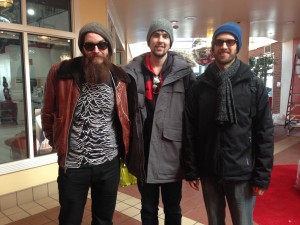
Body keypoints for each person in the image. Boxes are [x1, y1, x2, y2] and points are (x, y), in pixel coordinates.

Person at [41, 22, 134, 225]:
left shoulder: (119, 77)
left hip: (109, 164)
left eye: (102, 45)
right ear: (82, 48)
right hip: (74, 167)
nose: (96, 50)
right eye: (89, 46)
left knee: (103, 220)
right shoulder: (61, 72)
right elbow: (47, 114)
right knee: (69, 219)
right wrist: (59, 144)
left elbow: (124, 118)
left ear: (109, 47)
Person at [183, 22, 274, 225]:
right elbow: (190, 131)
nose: (224, 46)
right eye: (219, 42)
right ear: (213, 47)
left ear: (237, 45)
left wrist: (262, 176)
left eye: (229, 42)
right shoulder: (200, 86)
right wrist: (191, 168)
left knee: (243, 222)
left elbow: (265, 133)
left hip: (242, 171)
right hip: (209, 171)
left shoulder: (253, 84)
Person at [123, 18, 196, 225]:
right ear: (149, 40)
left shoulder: (185, 74)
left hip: (172, 154)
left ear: (170, 42)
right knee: (147, 209)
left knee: (173, 208)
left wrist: (192, 159)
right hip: (143, 153)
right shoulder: (131, 73)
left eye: (165, 36)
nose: (160, 40)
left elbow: (193, 118)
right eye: (156, 35)